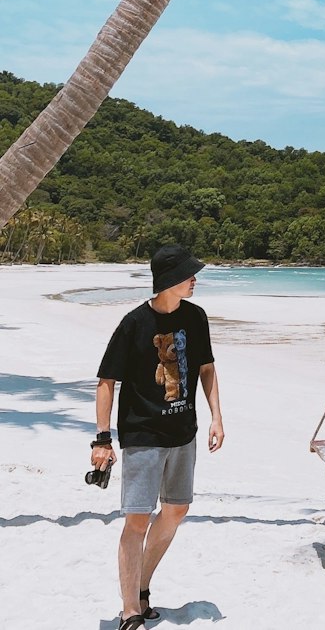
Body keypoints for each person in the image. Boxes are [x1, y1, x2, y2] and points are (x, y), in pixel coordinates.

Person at [92, 244, 225, 630]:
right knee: (137, 520)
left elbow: (206, 369)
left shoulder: (196, 317)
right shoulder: (134, 324)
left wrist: (217, 417)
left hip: (183, 433)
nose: (195, 279)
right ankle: (130, 608)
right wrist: (102, 439)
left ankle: (143, 585)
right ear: (168, 281)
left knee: (176, 510)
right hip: (143, 435)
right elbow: (106, 382)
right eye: (188, 274)